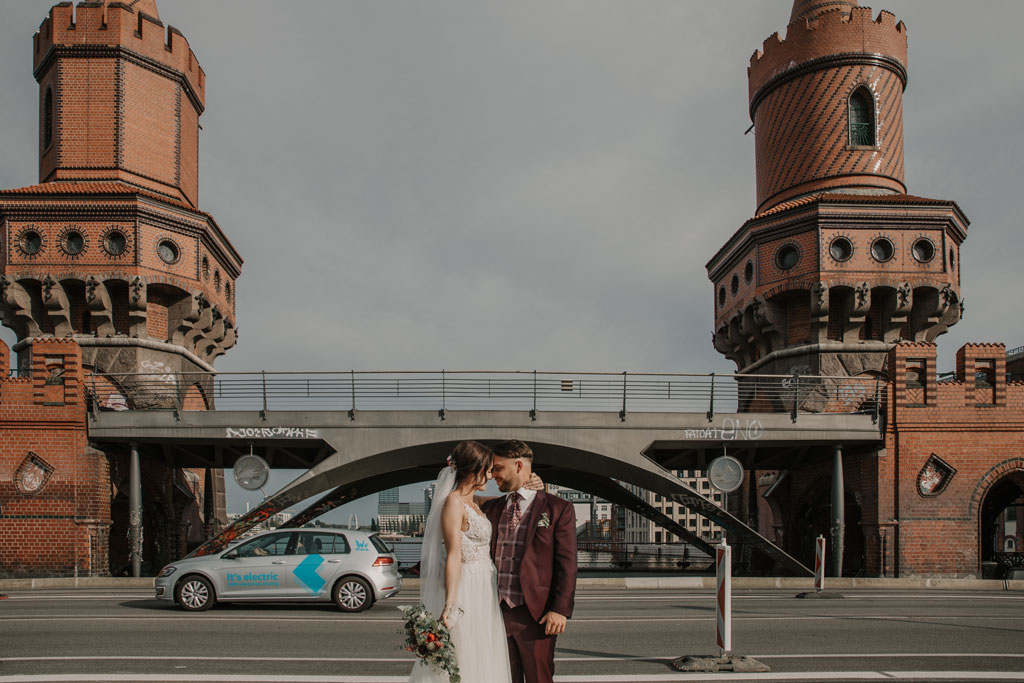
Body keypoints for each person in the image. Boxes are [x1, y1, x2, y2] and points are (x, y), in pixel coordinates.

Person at [409, 441, 512, 683]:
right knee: (466, 653)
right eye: (488, 470)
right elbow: (454, 554)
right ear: (475, 471)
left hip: (485, 584)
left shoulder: (473, 502)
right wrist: (450, 603)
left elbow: (502, 500)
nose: (491, 475)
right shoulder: (453, 503)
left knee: (483, 651)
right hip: (469, 586)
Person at [482, 440, 577, 683]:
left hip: (537, 616)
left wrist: (560, 609)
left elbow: (566, 563)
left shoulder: (558, 508)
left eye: (498, 468)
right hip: (495, 614)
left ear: (518, 465)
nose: (493, 475)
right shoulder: (491, 509)